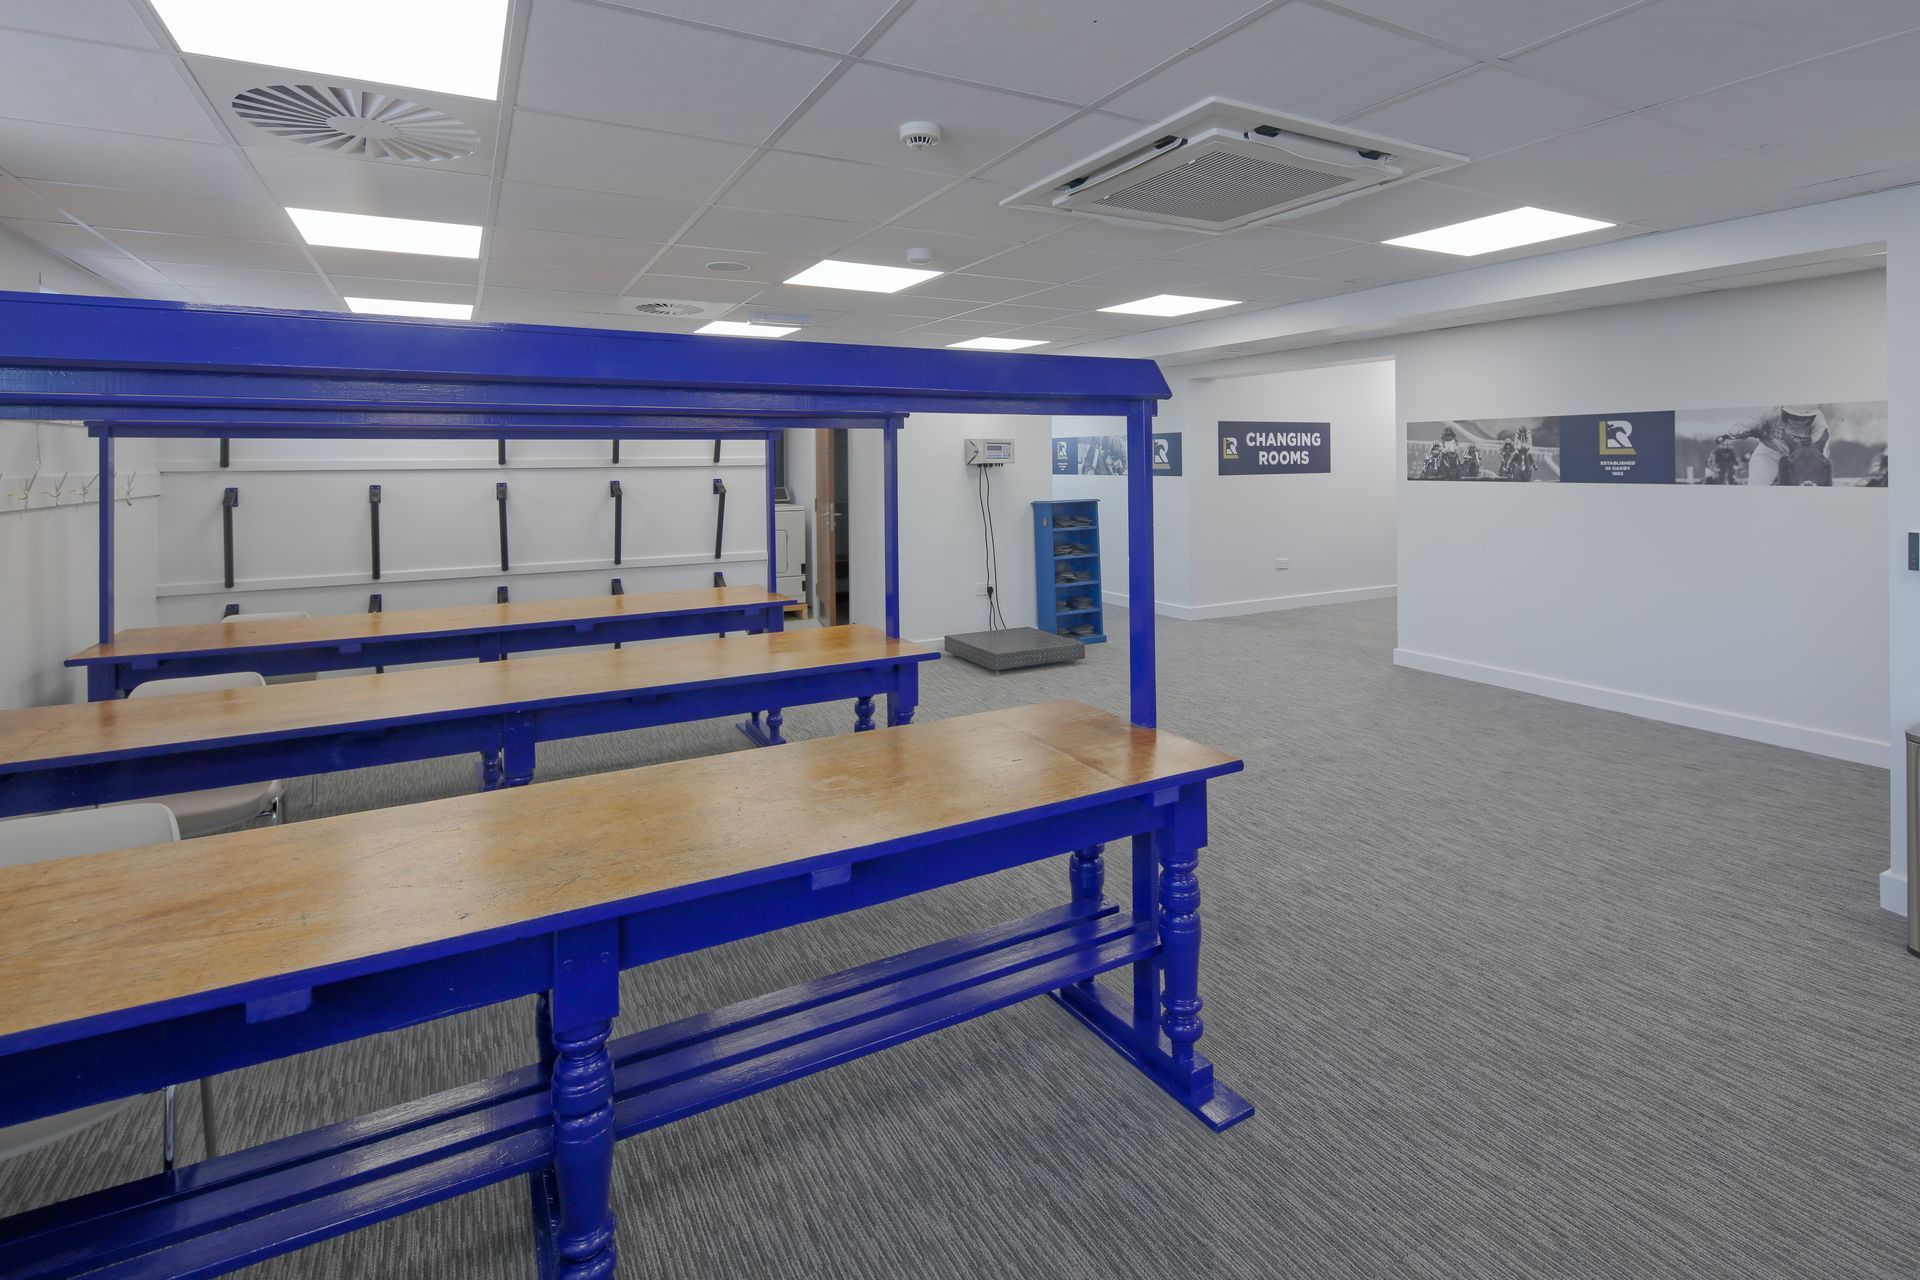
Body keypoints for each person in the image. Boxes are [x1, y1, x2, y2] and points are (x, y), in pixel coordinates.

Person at [1718, 405, 1828, 487]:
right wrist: (1744, 430)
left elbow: (1820, 451)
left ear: (1813, 416)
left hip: (1800, 459)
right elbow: (1739, 426)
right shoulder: (1770, 413)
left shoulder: (1819, 422)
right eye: (1794, 417)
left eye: (1804, 418)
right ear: (1784, 412)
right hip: (1769, 453)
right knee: (1758, 486)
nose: (1799, 422)